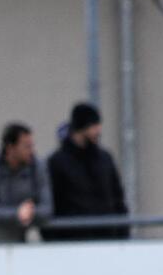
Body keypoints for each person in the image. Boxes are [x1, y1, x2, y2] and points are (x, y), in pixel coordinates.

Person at [46, 102, 128, 240]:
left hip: (108, 240)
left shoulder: (105, 159)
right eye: (94, 125)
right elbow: (53, 204)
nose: (99, 130)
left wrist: (123, 234)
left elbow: (118, 199)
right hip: (72, 243)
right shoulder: (57, 162)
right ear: (81, 127)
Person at [0, 122, 52, 243]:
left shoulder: (36, 167)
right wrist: (17, 214)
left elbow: (46, 208)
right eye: (26, 146)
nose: (31, 151)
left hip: (17, 242)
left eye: (32, 146)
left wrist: (30, 212)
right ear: (10, 147)